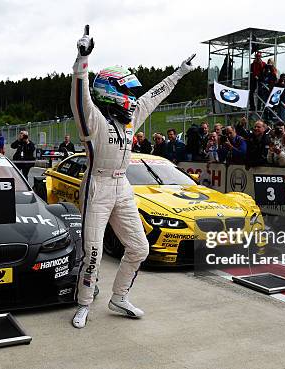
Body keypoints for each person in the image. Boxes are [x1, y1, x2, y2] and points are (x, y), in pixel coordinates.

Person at [70, 26, 194, 328]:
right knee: (94, 253)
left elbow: (154, 96)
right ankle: (84, 304)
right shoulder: (95, 120)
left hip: (123, 186)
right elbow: (79, 96)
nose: (133, 98)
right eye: (128, 92)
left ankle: (119, 297)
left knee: (140, 247)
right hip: (97, 186)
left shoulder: (130, 120)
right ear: (111, 92)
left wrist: (179, 74)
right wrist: (81, 59)